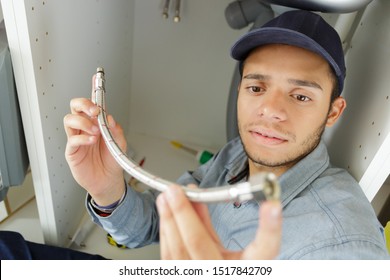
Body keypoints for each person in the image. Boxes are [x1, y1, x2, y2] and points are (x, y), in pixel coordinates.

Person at [1, 10, 388, 260]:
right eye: (256, 87)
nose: (271, 109)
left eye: (300, 95)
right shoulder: (237, 156)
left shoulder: (339, 242)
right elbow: (156, 223)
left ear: (333, 111)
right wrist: (108, 191)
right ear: (239, 91)